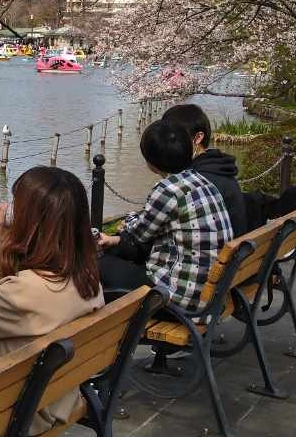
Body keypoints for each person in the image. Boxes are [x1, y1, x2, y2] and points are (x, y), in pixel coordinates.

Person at [0, 167, 103, 434]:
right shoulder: (87, 279)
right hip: (55, 398)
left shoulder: (23, 292)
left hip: (10, 416)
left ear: (29, 223)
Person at [95, 120, 232, 310]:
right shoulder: (204, 182)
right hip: (211, 293)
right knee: (117, 257)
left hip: (177, 298)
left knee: (99, 263)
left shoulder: (167, 189)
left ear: (150, 162)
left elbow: (139, 234)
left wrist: (129, 219)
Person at [161, 103, 247, 235]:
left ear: (198, 138)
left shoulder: (199, 180)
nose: (169, 144)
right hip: (234, 250)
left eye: (175, 138)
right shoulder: (218, 168)